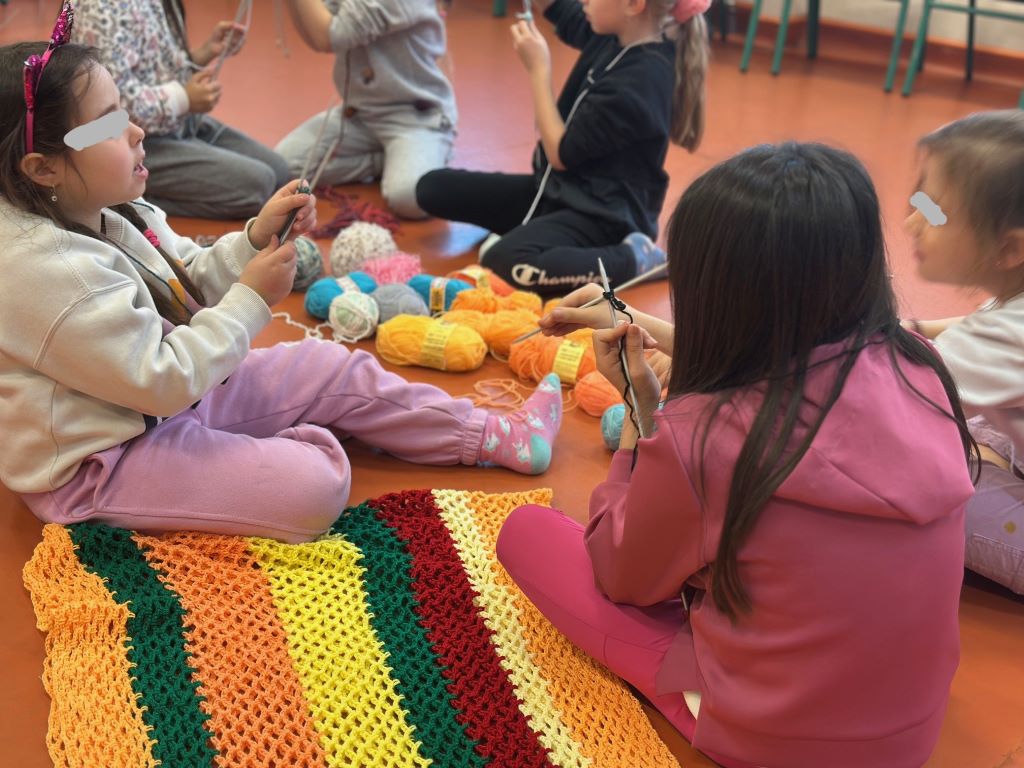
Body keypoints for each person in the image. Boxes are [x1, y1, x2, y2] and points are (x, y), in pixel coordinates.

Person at [496, 142, 977, 767]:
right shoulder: (923, 367)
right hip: (909, 734)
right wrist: (629, 320)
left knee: (528, 533)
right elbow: (787, 365)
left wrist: (643, 415)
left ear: (713, 288)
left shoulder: (706, 432)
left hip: (773, 740)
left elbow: (621, 574)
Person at [0, 29, 562, 544]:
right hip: (105, 461)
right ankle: (256, 459)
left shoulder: (109, 206)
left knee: (330, 365)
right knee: (315, 485)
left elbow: (186, 280)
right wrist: (250, 298)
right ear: (43, 169)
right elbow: (160, 379)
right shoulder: (49, 272)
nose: (136, 130)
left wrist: (251, 241)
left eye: (124, 112)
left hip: (167, 402)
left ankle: (496, 435)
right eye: (106, 126)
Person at [416, 0, 709, 295]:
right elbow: (560, 9)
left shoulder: (640, 82)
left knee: (506, 261)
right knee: (431, 188)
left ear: (633, 5)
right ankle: (545, 235)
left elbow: (560, 153)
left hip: (604, 216)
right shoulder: (617, 33)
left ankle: (633, 259)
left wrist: (538, 70)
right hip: (559, 191)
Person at [902, 110, 1024, 595]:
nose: (912, 222)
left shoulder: (1001, 338)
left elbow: (885, 395)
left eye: (934, 211)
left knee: (919, 480)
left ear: (1008, 249)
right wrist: (912, 328)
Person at [73, 0, 291, 219]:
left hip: (178, 123)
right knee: (258, 187)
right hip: (133, 141)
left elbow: (155, 68)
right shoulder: (100, 6)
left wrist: (205, 52)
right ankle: (122, 197)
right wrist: (184, 98)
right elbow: (114, 112)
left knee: (280, 172)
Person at [275, 0, 457, 219]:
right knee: (285, 166)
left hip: (415, 118)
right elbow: (317, 29)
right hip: (359, 114)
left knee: (411, 197)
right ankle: (386, 161)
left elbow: (329, 36)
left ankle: (427, 151)